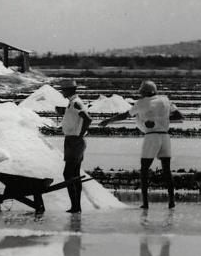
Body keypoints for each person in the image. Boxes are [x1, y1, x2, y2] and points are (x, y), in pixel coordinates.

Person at [99, 80, 182, 209]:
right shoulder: (166, 100)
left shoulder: (140, 104)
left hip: (151, 137)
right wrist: (161, 119)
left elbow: (126, 115)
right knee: (167, 171)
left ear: (144, 92)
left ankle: (145, 203)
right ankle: (171, 202)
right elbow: (179, 116)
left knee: (144, 170)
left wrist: (109, 120)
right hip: (165, 137)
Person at [58, 80, 92, 213]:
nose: (62, 92)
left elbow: (87, 119)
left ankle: (75, 206)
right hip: (72, 140)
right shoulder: (72, 103)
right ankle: (76, 206)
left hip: (74, 141)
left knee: (68, 173)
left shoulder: (76, 103)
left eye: (63, 90)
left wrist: (80, 135)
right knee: (74, 174)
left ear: (69, 90)